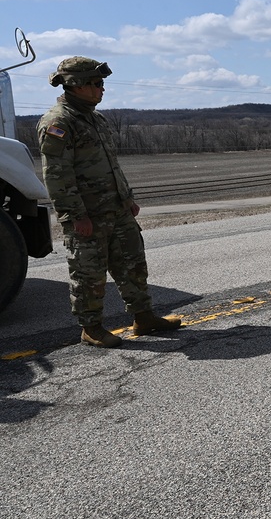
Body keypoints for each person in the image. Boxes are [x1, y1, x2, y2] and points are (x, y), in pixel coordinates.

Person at [37, 56, 182, 348]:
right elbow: (57, 175)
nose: (102, 89)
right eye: (96, 84)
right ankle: (91, 328)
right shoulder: (58, 122)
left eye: (102, 84)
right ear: (76, 85)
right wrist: (76, 215)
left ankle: (144, 317)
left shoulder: (95, 118)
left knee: (133, 264)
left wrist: (127, 199)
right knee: (89, 273)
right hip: (87, 214)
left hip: (116, 209)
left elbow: (111, 164)